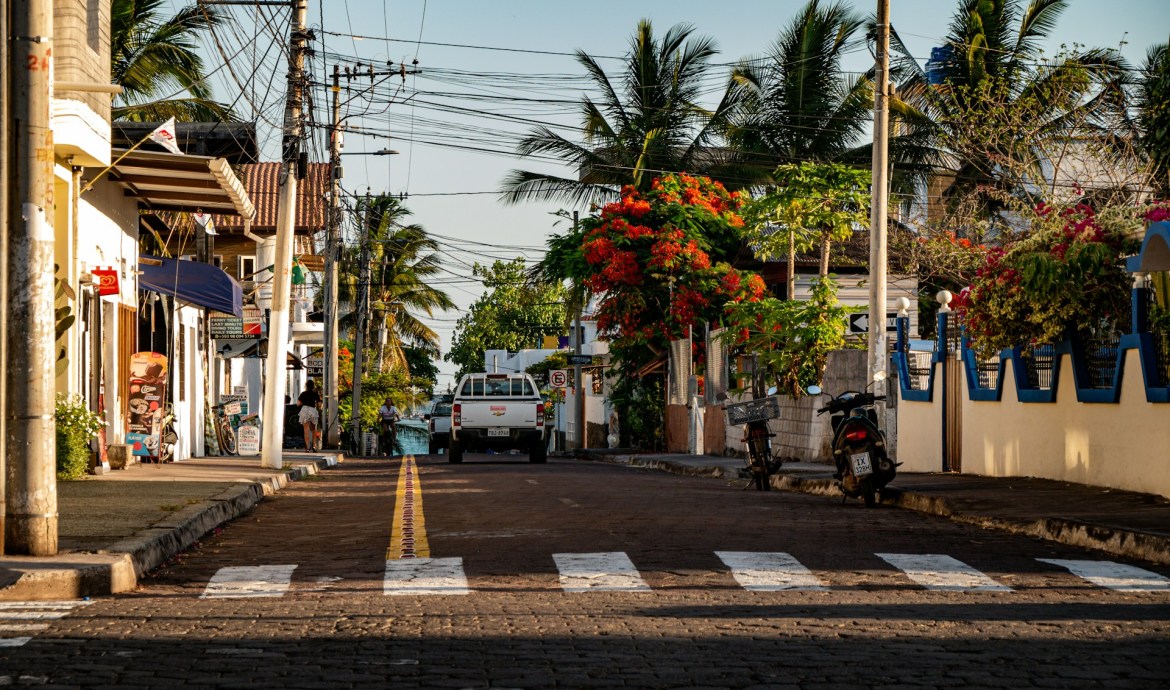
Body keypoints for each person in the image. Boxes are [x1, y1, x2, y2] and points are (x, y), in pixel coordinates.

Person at [297, 380, 321, 451]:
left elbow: (298, 403)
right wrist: (318, 406)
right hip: (313, 410)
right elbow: (319, 404)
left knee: (306, 429)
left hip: (305, 410)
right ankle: (314, 446)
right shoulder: (315, 394)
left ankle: (307, 447)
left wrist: (304, 402)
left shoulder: (303, 394)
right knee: (314, 429)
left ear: (306, 386)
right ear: (313, 386)